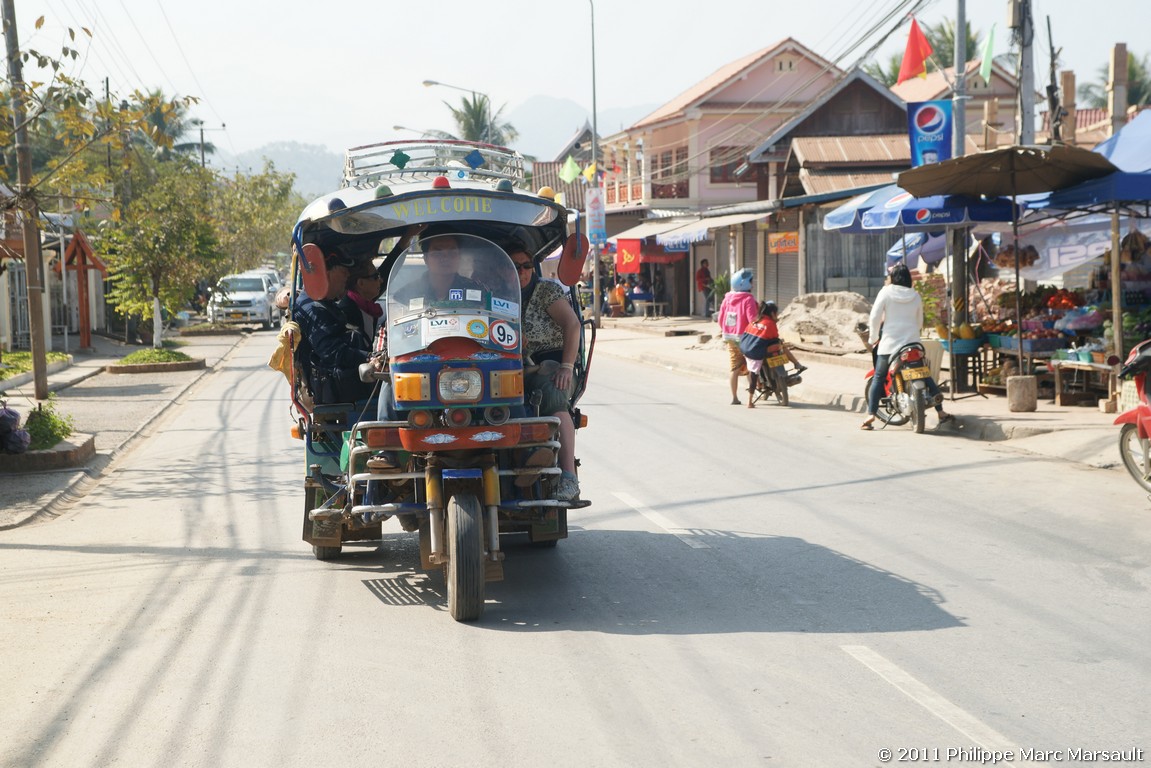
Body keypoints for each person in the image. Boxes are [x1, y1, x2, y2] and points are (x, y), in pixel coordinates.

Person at [510, 239, 583, 501]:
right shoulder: (494, 293)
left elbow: (572, 325)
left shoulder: (546, 291)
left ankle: (568, 478)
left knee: (554, 399)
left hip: (549, 364)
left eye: (526, 265)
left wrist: (565, 366)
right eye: (515, 266)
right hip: (506, 367)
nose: (521, 272)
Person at [861, 263, 952, 430]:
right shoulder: (915, 295)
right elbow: (919, 321)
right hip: (912, 343)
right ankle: (941, 413)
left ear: (893, 278)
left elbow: (874, 317)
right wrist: (912, 334)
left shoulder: (886, 292)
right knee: (925, 374)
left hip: (889, 344)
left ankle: (871, 415)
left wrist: (873, 338)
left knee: (879, 376)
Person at [292, 242, 378, 405]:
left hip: (344, 386)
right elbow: (333, 353)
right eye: (344, 271)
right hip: (337, 393)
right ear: (325, 273)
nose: (347, 277)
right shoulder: (313, 309)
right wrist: (369, 357)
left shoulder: (325, 304)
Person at [738, 300, 805, 409]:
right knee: (755, 373)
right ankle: (749, 401)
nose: (778, 315)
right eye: (777, 313)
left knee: (752, 371)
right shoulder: (770, 323)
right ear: (773, 313)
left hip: (748, 349)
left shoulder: (754, 321)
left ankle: (759, 385)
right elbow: (774, 338)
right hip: (756, 352)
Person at [392, 231, 484, 305]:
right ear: (426, 259)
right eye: (437, 253)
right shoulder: (406, 294)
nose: (445, 258)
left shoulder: (476, 290)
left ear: (459, 257)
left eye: (451, 253)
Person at [715, 268, 759, 405]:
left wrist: (727, 330)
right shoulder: (748, 299)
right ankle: (753, 394)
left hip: (730, 337)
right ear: (744, 283)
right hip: (746, 338)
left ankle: (734, 398)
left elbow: (720, 320)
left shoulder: (727, 299)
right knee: (753, 364)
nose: (753, 284)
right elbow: (753, 319)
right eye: (751, 282)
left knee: (734, 367)